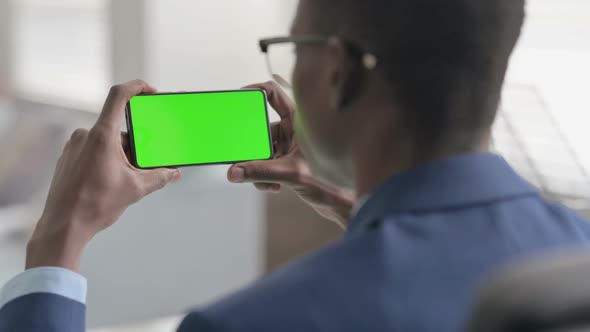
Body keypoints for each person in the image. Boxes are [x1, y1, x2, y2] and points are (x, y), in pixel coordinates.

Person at [1, 0, 589, 331]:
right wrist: (366, 216)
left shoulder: (247, 326)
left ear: (337, 71)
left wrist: (58, 239)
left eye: (293, 48)